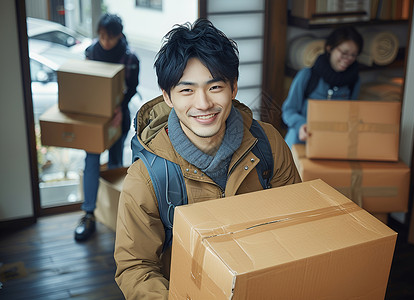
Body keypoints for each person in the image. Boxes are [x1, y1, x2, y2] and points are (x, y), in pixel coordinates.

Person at [113, 19, 301, 299]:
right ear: (167, 96)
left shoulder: (268, 143)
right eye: (187, 90)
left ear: (233, 87)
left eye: (215, 87)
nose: (203, 104)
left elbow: (298, 224)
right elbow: (136, 268)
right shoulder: (147, 175)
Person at [74, 13, 140, 241]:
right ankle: (89, 213)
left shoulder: (130, 58)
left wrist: (119, 108)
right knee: (91, 162)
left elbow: (131, 89)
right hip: (94, 119)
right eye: (101, 36)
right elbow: (85, 83)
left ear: (119, 35)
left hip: (116, 118)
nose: (105, 41)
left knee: (113, 165)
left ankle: (113, 214)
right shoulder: (91, 52)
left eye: (109, 37)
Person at [281, 25, 363, 148]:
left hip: (334, 144)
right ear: (330, 48)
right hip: (301, 141)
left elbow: (352, 115)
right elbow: (288, 111)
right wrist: (301, 125)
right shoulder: (307, 75)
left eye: (353, 55)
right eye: (344, 53)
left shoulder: (354, 81)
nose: (348, 59)